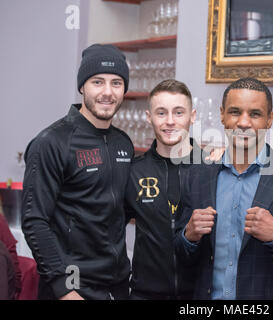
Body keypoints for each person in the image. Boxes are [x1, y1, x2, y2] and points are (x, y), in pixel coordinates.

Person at [174, 77, 273, 300]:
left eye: (255, 114)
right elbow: (180, 253)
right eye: (235, 112)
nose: (244, 123)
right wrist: (189, 236)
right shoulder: (197, 176)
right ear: (222, 115)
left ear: (269, 119)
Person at [21, 44, 133, 300]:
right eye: (98, 82)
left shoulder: (122, 143)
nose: (108, 92)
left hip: (116, 285)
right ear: (82, 86)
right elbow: (34, 221)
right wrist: (65, 289)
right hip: (72, 287)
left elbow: (118, 213)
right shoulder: (51, 142)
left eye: (116, 83)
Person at [125, 79, 203, 300]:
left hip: (199, 296)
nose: (170, 122)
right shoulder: (133, 172)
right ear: (149, 117)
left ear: (192, 115)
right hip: (144, 294)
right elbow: (108, 231)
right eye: (161, 113)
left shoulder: (212, 169)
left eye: (179, 113)